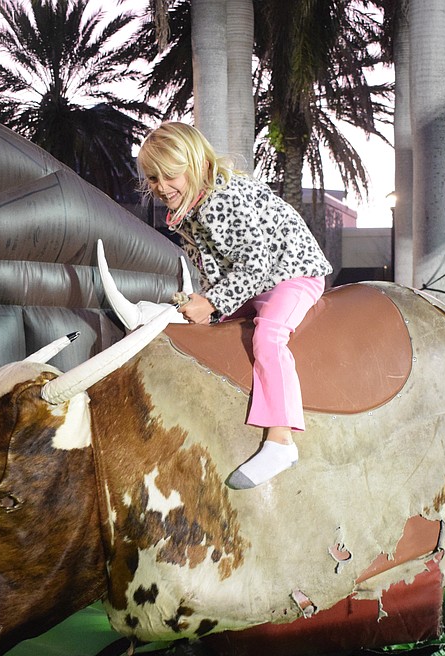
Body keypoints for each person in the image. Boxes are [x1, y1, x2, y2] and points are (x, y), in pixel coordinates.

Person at [137, 121, 333, 489]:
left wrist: (211, 301)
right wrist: (206, 303)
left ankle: (281, 440)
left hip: (292, 273)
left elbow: (255, 263)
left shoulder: (220, 200)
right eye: (152, 178)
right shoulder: (189, 209)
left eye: (170, 175)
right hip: (252, 284)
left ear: (195, 164)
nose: (161, 187)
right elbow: (214, 264)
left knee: (269, 335)